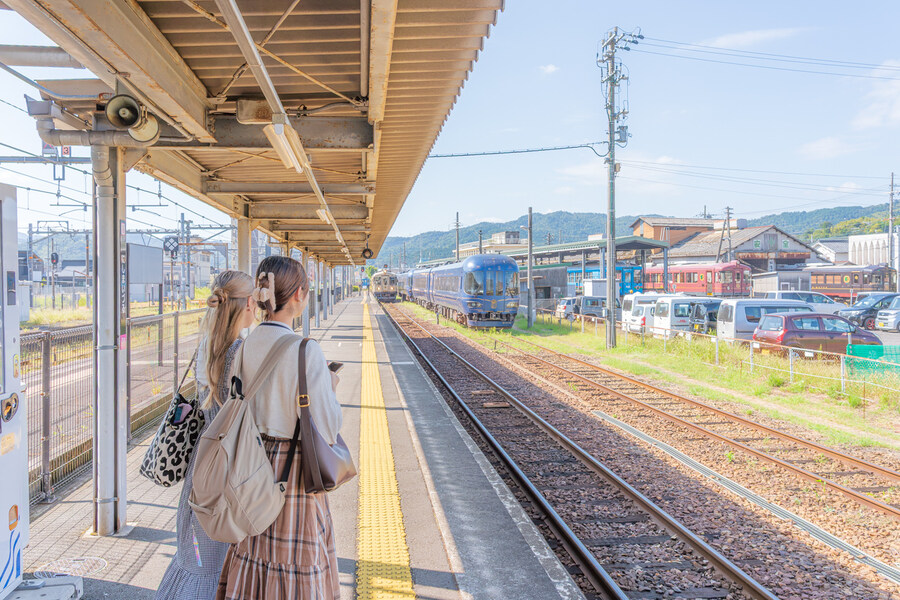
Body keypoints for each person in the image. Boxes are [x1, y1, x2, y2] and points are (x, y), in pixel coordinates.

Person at [217, 256, 342, 600]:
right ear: (300, 294)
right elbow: (328, 428)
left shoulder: (244, 346)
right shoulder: (305, 350)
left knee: (255, 551)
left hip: (250, 467)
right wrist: (329, 386)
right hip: (294, 471)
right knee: (296, 560)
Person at [155, 270, 256, 600]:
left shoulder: (207, 346)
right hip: (226, 471)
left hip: (203, 464)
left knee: (195, 554)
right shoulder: (239, 352)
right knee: (214, 561)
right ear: (248, 304)